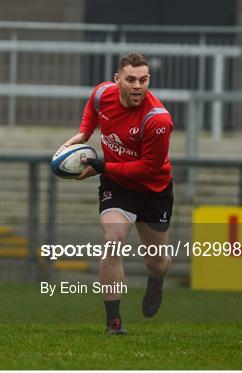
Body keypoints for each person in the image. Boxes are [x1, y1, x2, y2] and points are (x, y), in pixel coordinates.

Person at [57, 52, 174, 335]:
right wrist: (83, 135)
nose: (138, 86)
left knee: (157, 262)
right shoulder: (102, 94)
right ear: (117, 80)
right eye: (131, 79)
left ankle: (156, 280)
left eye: (144, 80)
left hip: (153, 189)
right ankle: (114, 322)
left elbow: (148, 169)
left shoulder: (157, 119)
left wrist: (102, 166)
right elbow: (92, 110)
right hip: (117, 185)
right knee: (112, 240)